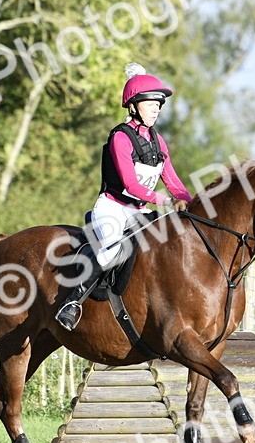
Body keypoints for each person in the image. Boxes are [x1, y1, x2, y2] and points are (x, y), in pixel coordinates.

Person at [55, 63, 193, 331]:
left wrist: (188, 200)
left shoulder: (158, 141)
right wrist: (166, 201)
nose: (157, 109)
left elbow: (172, 179)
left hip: (140, 212)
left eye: (159, 105)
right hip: (113, 207)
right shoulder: (121, 137)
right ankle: (72, 302)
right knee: (110, 251)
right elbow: (130, 184)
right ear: (134, 105)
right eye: (152, 103)